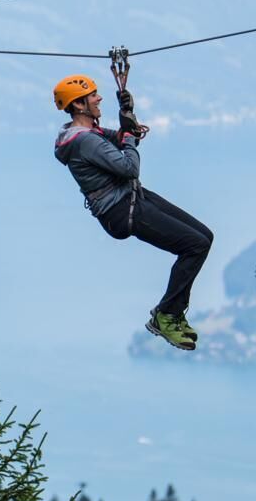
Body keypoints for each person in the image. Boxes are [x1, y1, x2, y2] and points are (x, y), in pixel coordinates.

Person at [52, 73, 212, 350]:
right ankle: (166, 315)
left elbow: (122, 139)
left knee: (205, 237)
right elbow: (129, 167)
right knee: (194, 245)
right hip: (122, 209)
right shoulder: (83, 140)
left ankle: (172, 312)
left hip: (133, 198)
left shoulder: (89, 134)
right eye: (93, 95)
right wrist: (128, 139)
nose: (99, 98)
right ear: (78, 105)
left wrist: (127, 117)